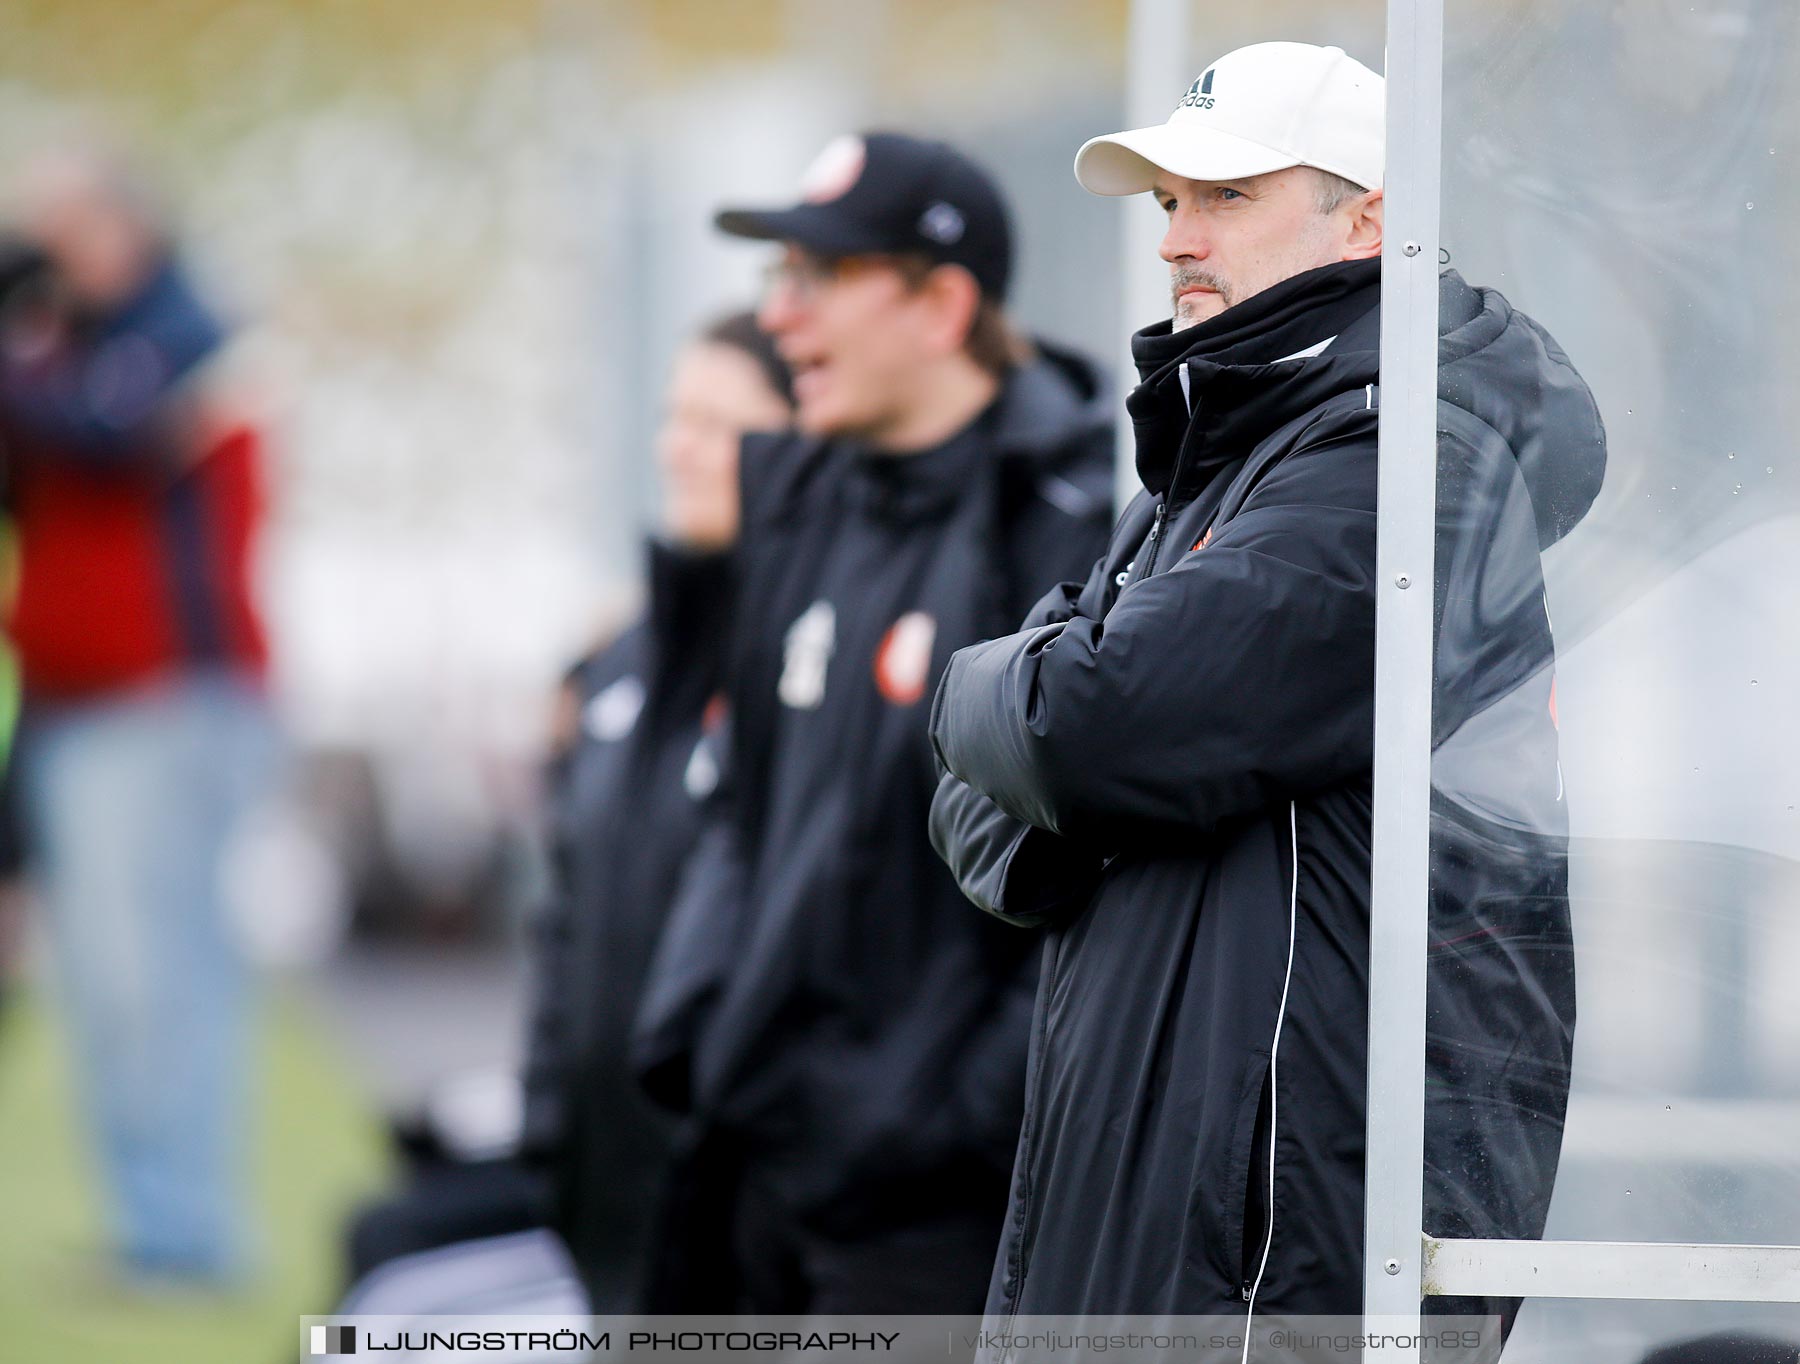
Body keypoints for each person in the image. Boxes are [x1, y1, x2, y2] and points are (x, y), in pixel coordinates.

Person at [928, 40, 1606, 1334]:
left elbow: (1079, 726)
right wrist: (1052, 740)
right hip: (1156, 1211)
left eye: (1229, 195)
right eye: (1169, 200)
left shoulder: (1410, 456)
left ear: (1374, 217)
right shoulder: (1225, 458)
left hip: (1274, 1256)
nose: (1180, 236)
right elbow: (980, 808)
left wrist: (984, 695)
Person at [631, 131, 1115, 1313]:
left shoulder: (1070, 524)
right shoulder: (793, 495)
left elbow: (1095, 882)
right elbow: (739, 801)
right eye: (777, 278)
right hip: (756, 1152)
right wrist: (693, 1027)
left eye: (821, 279)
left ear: (943, 303)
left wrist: (947, 1120)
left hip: (932, 1205)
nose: (782, 318)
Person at [336, 312, 795, 1313]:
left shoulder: (807, 671)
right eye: (678, 415)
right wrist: (552, 1133)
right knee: (377, 1298)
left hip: (737, 1221)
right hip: (602, 1201)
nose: (681, 446)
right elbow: (570, 920)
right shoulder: (631, 660)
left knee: (387, 1314)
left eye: (722, 424)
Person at [0, 148, 274, 1287]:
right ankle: (154, 1226)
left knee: (153, 975)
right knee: (103, 984)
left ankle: (184, 1237)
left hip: (166, 705)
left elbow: (104, 435)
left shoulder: (189, 336)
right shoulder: (62, 346)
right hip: (69, 704)